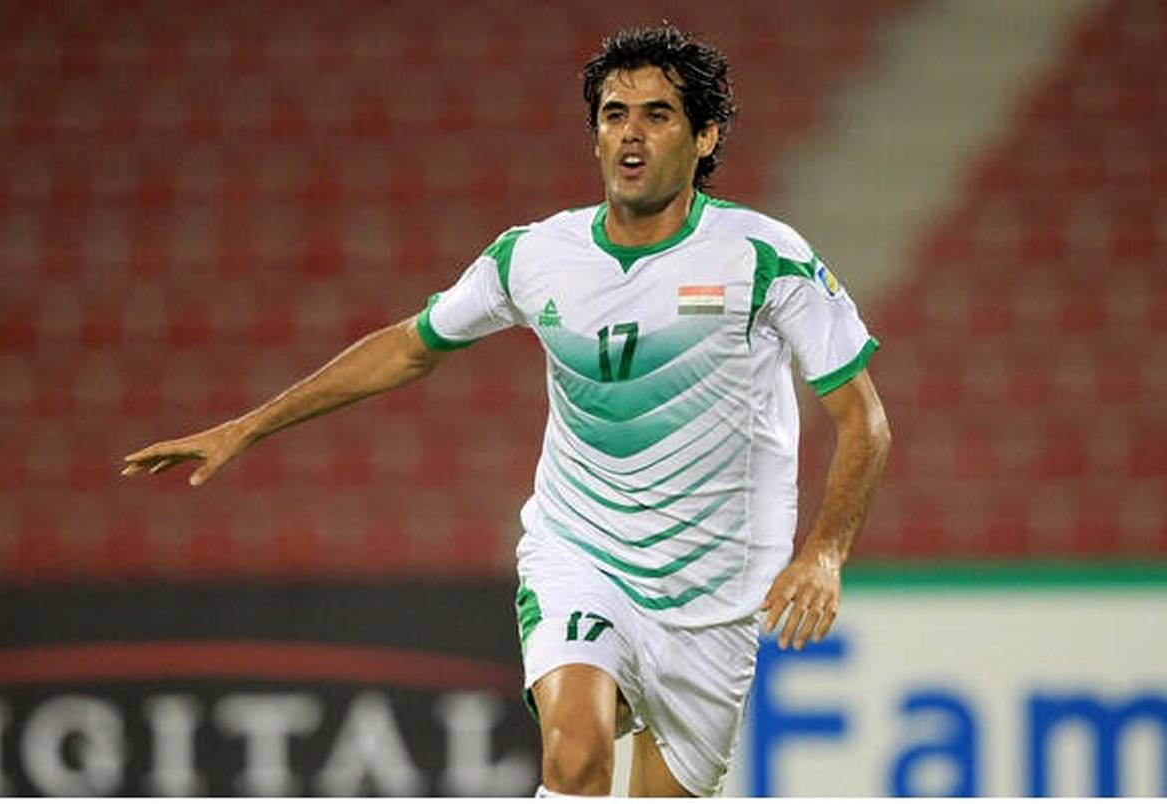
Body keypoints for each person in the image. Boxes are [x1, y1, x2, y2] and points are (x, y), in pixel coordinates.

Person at [123, 24, 891, 797]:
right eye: (614, 114)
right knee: (575, 754)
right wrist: (249, 426)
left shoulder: (763, 258)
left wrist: (824, 553)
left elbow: (864, 420)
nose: (630, 133)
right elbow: (410, 347)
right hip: (582, 554)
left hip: (715, 595)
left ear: (705, 137)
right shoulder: (535, 256)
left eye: (657, 115)